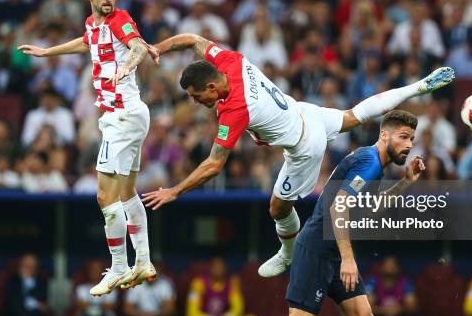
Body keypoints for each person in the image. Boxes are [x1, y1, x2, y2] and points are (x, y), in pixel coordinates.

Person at [142, 33, 454, 278]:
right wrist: (157, 47)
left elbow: (213, 165)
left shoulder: (235, 109)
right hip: (303, 112)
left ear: (211, 86)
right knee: (355, 115)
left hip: (304, 143)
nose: (197, 103)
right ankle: (416, 87)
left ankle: (288, 253)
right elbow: (194, 41)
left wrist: (175, 191)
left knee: (278, 207)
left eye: (198, 97)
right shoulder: (229, 60)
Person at [232, 110, 426, 316]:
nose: (409, 145)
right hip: (318, 248)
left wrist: (406, 182)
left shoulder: (371, 163)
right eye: (403, 137)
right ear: (384, 134)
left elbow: (371, 208)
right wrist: (348, 259)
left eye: (412, 139)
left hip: (332, 250)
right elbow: (338, 207)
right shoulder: (370, 163)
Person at [18, 0, 155, 295]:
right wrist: (47, 52)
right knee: (126, 194)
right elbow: (87, 43)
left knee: (104, 197)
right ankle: (144, 260)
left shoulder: (121, 19)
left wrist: (129, 65)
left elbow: (136, 46)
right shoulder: (94, 26)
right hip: (130, 116)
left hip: (122, 116)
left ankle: (119, 266)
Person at [185, 257, 260, 316]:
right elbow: (192, 311)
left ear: (225, 269)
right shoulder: (198, 283)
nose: (218, 270)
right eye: (215, 267)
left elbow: (238, 308)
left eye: (220, 267)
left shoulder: (232, 282)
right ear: (210, 269)